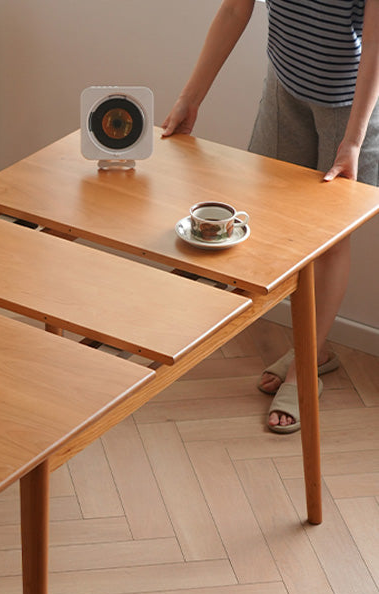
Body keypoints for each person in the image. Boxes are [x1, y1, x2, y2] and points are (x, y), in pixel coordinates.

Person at [162, 0, 379, 433]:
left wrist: (353, 141)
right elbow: (234, 11)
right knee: (276, 219)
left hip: (349, 105)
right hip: (285, 85)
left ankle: (305, 368)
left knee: (328, 236)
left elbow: (375, 41)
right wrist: (190, 98)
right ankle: (311, 349)